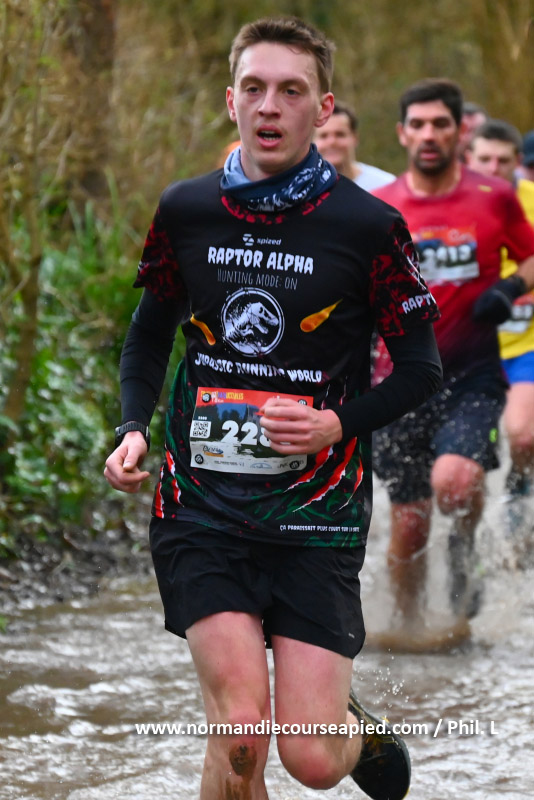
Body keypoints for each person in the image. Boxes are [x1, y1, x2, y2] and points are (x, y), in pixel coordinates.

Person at [104, 17, 443, 799]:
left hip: (316, 514)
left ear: (322, 108)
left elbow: (422, 371)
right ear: (231, 100)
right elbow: (147, 337)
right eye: (254, 88)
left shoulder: (369, 226)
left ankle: (348, 730)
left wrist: (334, 424)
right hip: (201, 505)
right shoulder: (187, 210)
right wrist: (131, 428)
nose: (270, 105)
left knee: (312, 761)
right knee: (239, 738)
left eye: (291, 91)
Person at [372, 79, 534, 627]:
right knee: (410, 521)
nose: (428, 135)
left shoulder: (494, 196)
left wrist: (510, 288)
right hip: (396, 380)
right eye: (417, 125)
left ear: (460, 131)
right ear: (401, 133)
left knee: (455, 483)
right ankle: (409, 632)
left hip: (472, 374)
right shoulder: (381, 206)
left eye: (440, 124)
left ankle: (465, 543)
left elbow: (531, 255)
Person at [466, 119, 534, 506]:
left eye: (503, 161)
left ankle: (519, 486)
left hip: (526, 344)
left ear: (518, 161)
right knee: (458, 463)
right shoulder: (453, 201)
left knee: (522, 435)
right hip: (469, 349)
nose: (493, 169)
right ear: (468, 159)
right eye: (484, 159)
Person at [314, 101, 395, 191]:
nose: (332, 142)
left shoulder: (386, 186)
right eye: (324, 136)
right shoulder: (303, 189)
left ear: (355, 138)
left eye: (340, 134)